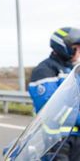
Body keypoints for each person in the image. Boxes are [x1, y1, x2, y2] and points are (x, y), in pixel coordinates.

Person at [28, 27, 80, 160]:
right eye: (76, 47)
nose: (79, 52)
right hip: (56, 141)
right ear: (65, 47)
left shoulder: (73, 70)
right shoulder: (44, 70)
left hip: (76, 139)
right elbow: (51, 109)